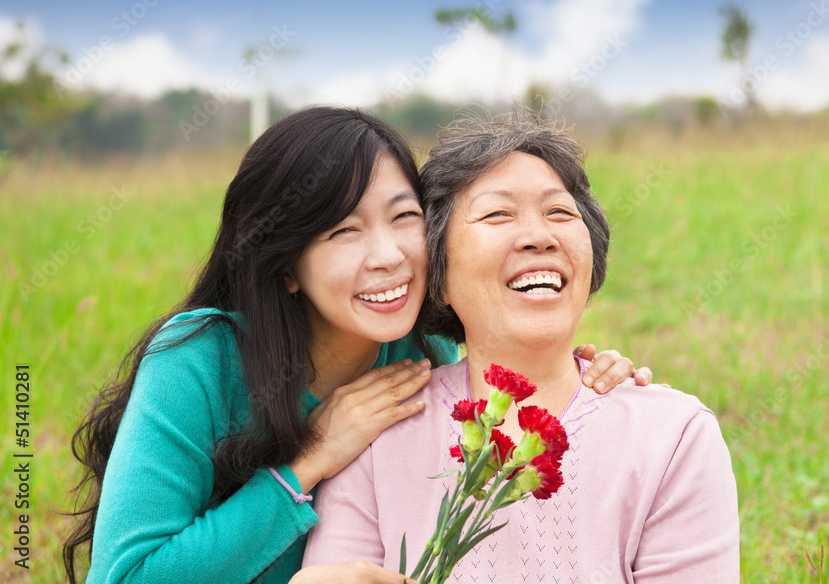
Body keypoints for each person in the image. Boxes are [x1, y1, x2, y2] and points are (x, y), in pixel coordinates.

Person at [64, 107, 651, 584]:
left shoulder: (424, 361)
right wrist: (309, 462)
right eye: (344, 231)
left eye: (404, 218)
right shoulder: (200, 359)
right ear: (286, 265)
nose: (389, 255)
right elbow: (124, 577)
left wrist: (593, 381)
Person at [302, 110, 740, 582]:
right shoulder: (375, 427)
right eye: (497, 214)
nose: (539, 237)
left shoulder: (673, 435)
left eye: (559, 212)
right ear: (439, 274)